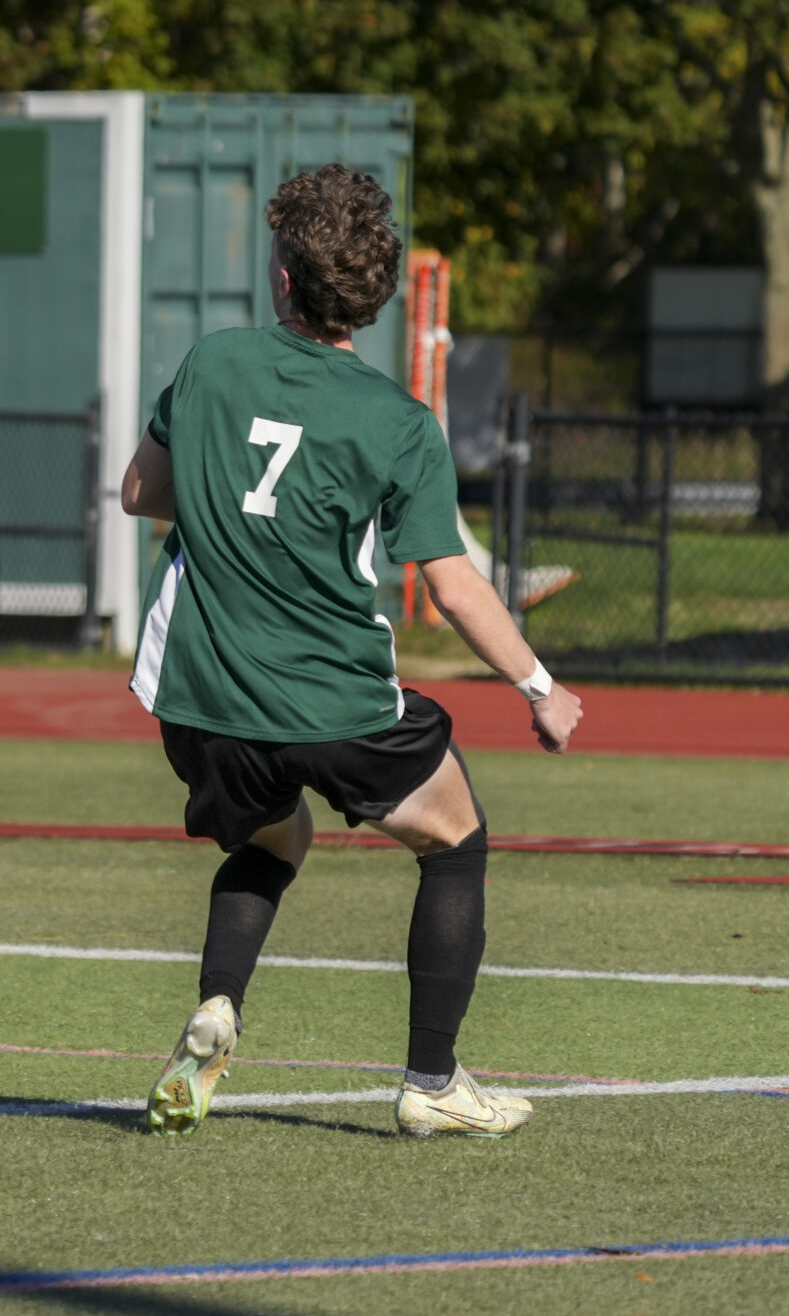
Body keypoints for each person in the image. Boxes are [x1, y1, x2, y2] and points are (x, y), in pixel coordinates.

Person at [119, 164, 582, 1139]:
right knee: (455, 838)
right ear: (372, 302)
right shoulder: (399, 423)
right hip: (330, 700)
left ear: (283, 278)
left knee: (271, 837)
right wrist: (539, 684)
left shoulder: (210, 363)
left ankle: (217, 1006)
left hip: (196, 698)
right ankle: (433, 1082)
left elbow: (139, 495)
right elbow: (451, 587)